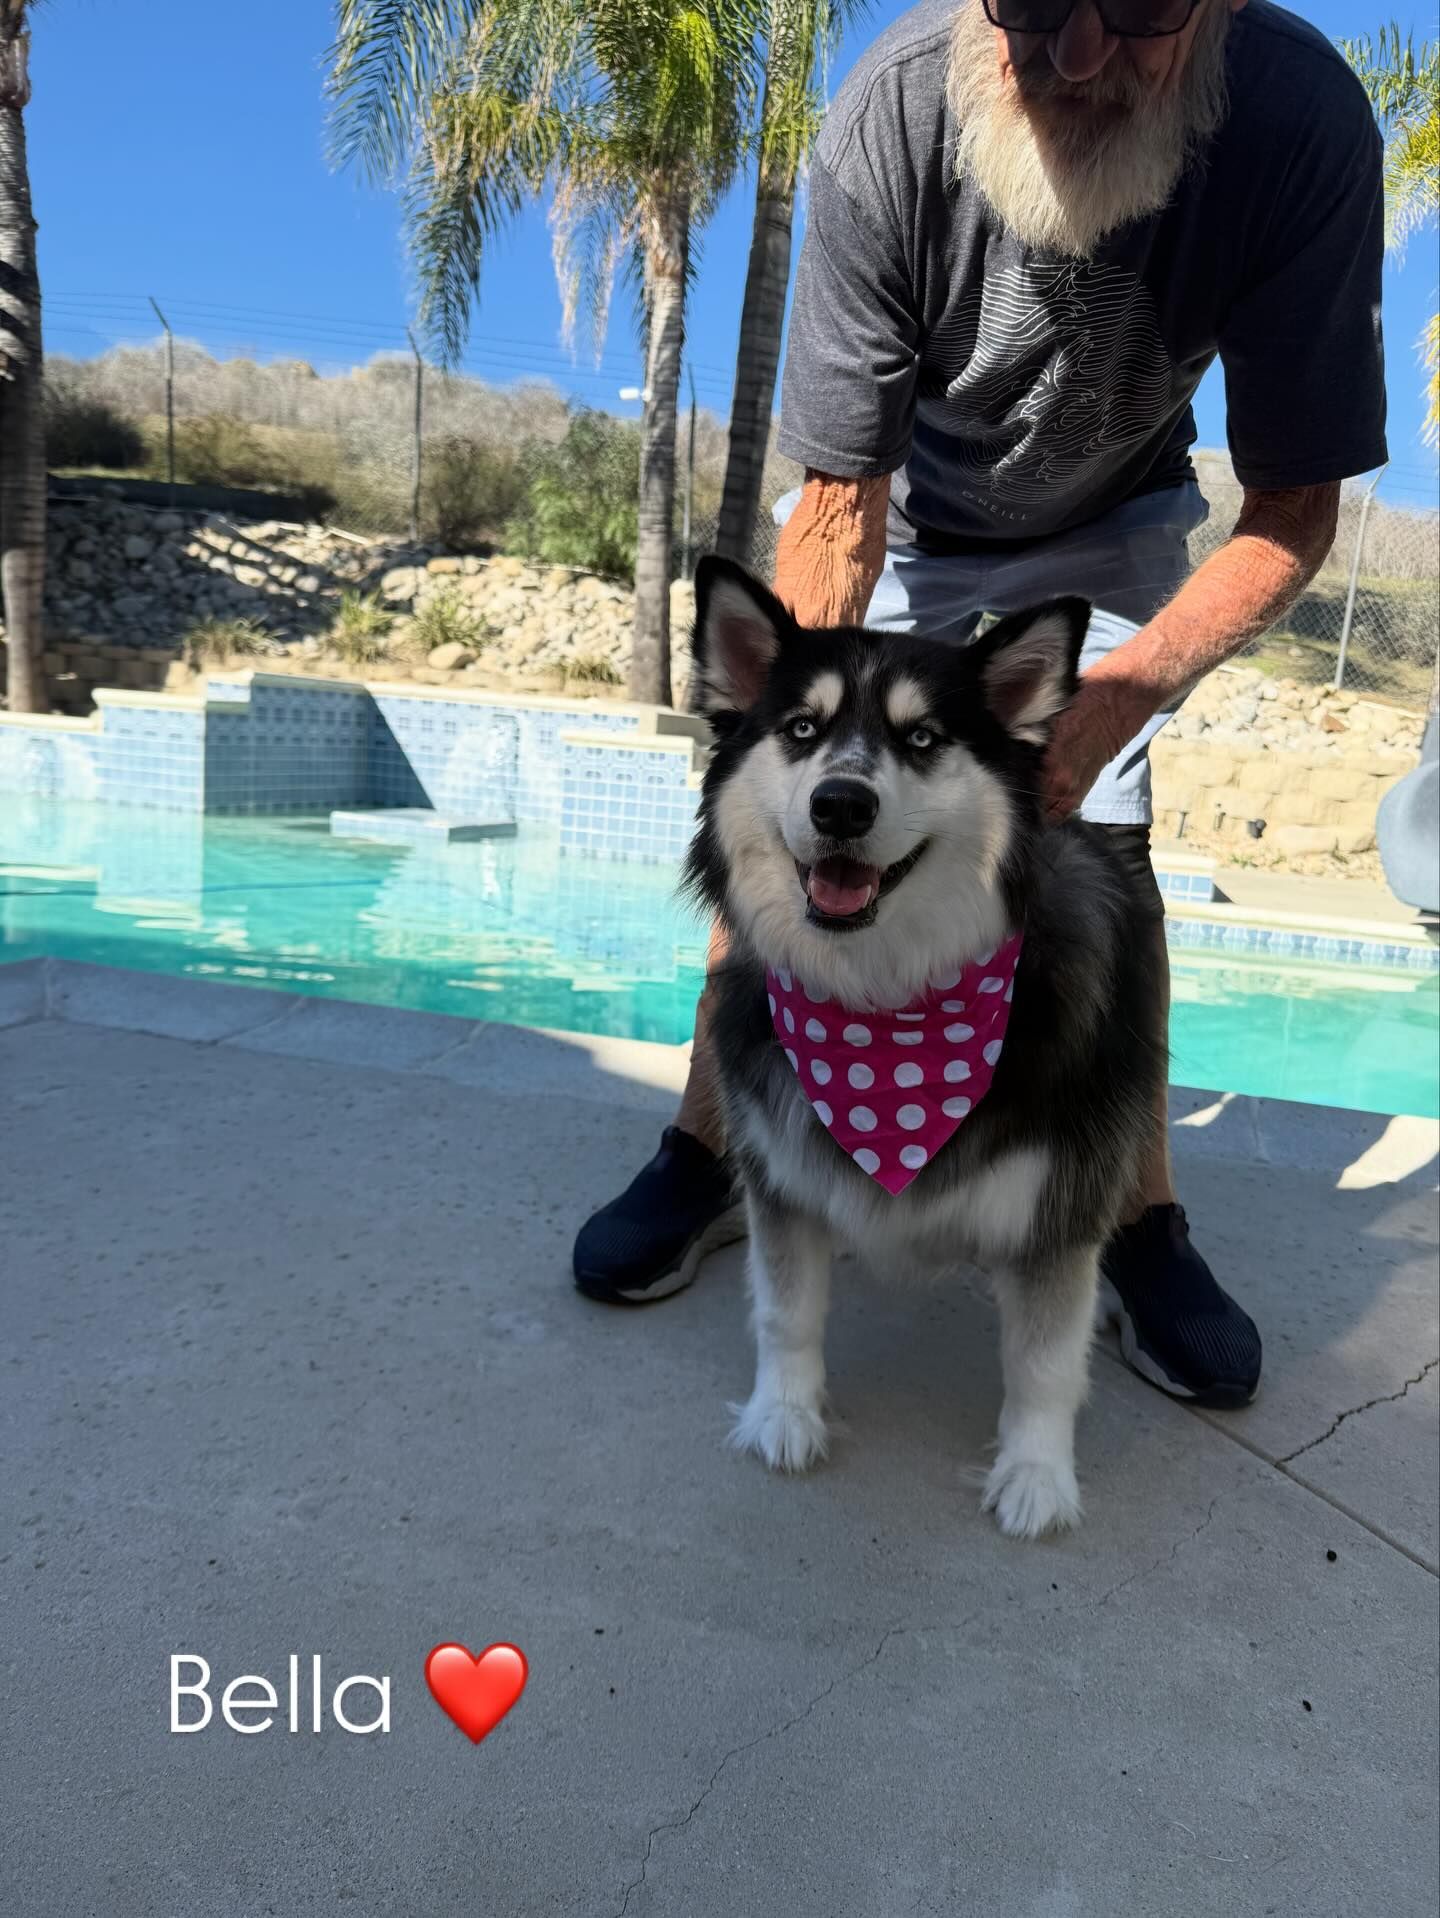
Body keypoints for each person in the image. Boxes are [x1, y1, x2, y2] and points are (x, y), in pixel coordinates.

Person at [574, 0, 1387, 1407]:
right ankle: (715, 1139)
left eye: (1138, 9)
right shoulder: (895, 110)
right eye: (1034, 3)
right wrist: (807, 738)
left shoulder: (1298, 122)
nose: (1075, 54)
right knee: (790, 809)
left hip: (1111, 523)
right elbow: (840, 500)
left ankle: (1134, 1213)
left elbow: (1293, 517)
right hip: (902, 517)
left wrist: (1104, 709)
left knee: (1108, 845)